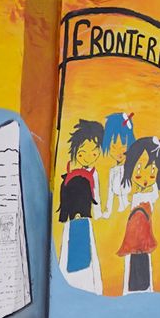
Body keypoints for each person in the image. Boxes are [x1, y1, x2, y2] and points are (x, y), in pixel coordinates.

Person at [58, 119, 104, 293]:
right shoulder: (69, 168)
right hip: (71, 217)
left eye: (94, 153)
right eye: (83, 152)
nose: (88, 157)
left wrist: (99, 213)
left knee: (86, 253)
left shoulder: (94, 173)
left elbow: (96, 196)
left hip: (85, 217)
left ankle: (90, 286)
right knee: (70, 250)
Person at [117, 135, 160, 294]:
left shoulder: (153, 193)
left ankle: (143, 287)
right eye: (138, 173)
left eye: (152, 174)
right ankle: (134, 288)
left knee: (143, 263)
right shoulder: (130, 191)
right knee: (133, 264)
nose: (145, 180)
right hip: (133, 234)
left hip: (144, 234)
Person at [96, 112, 136, 219]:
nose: (119, 152)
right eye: (113, 147)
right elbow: (110, 195)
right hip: (118, 214)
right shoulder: (113, 170)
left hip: (131, 211)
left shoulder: (133, 168)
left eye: (123, 145)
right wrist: (107, 213)